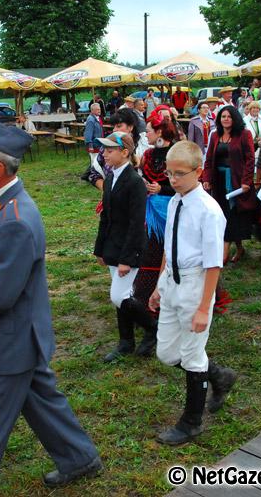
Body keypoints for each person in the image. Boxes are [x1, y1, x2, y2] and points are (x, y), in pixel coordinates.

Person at [0, 116, 102, 492]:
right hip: (21, 338)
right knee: (41, 400)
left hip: (9, 342)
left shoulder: (14, 217)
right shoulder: (5, 204)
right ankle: (79, 458)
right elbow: (2, 264)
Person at [148, 140, 236, 445]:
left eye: (180, 174)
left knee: (193, 356)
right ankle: (220, 376)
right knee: (168, 353)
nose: (172, 180)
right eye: (169, 173)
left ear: (198, 171)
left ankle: (191, 422)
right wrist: (160, 285)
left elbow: (214, 263)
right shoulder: (175, 200)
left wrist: (203, 307)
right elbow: (168, 245)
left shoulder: (209, 211)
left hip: (196, 285)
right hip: (172, 282)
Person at [94, 131, 149, 362]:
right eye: (104, 149)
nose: (104, 154)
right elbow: (106, 216)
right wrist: (99, 249)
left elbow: (137, 224)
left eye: (110, 150)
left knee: (119, 296)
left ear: (125, 152)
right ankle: (126, 342)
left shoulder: (135, 182)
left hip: (129, 249)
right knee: (122, 295)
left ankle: (154, 328)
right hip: (113, 247)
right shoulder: (111, 179)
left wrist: (127, 258)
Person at [131, 114, 178, 358]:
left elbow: (183, 184)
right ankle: (150, 302)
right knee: (150, 254)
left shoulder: (176, 154)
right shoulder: (148, 155)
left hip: (170, 211)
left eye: (148, 130)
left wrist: (163, 188)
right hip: (150, 213)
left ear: (160, 132)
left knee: (170, 256)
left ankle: (168, 304)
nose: (146, 134)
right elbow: (143, 178)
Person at [203, 105, 255, 264]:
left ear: (235, 118)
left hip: (236, 180)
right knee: (223, 213)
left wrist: (246, 181)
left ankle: (224, 253)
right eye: (223, 116)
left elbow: (250, 159)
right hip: (218, 180)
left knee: (233, 213)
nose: (226, 119)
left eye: (229, 116)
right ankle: (239, 248)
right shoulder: (215, 135)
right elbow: (209, 159)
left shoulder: (244, 134)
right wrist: (206, 178)